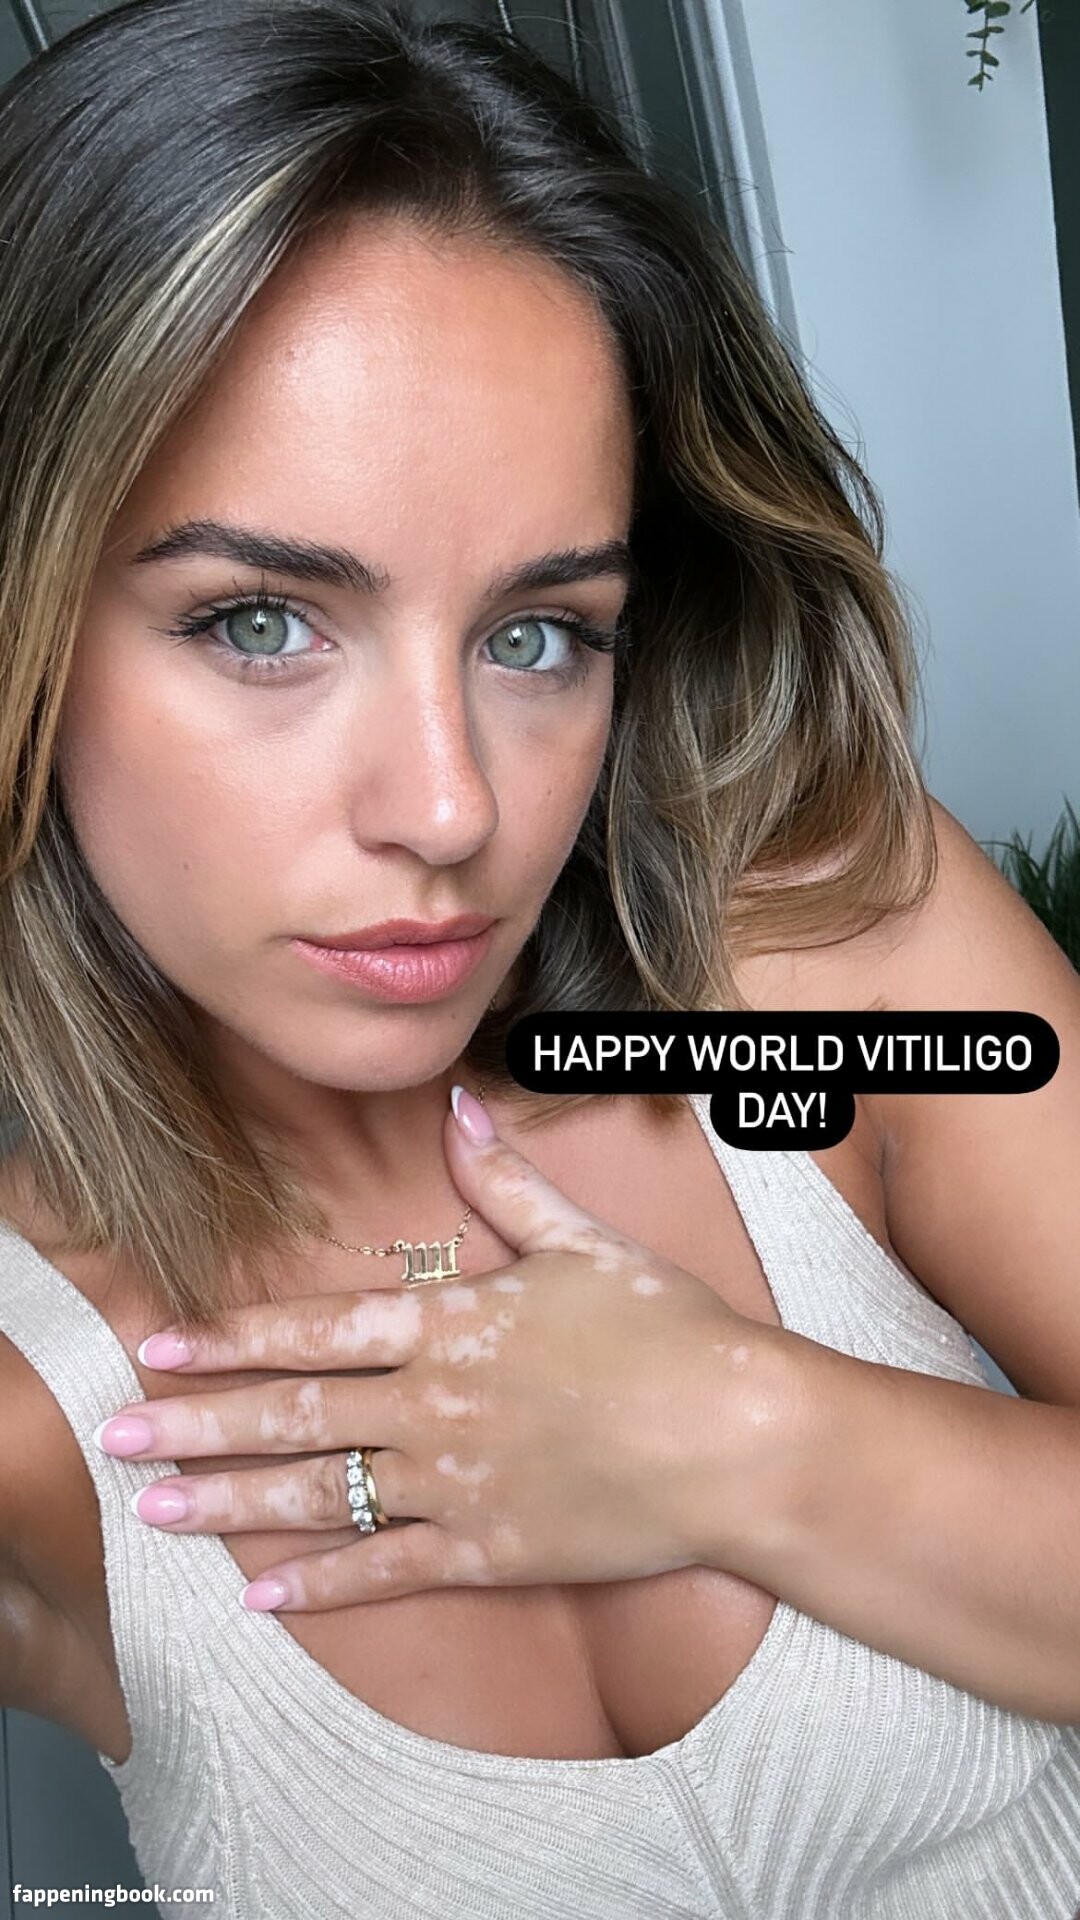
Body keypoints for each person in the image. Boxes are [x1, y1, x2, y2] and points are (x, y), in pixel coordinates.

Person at [0, 1, 1078, 1914]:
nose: (451, 808)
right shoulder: (29, 1410)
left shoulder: (821, 943)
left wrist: (735, 1434)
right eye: (259, 622)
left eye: (537, 635)